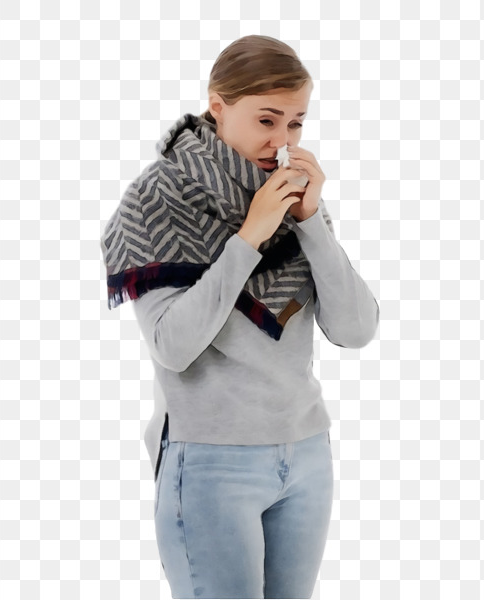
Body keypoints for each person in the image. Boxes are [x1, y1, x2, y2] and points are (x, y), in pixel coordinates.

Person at [100, 34, 379, 599]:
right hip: (209, 461)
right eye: (267, 120)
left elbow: (355, 329)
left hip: (305, 453)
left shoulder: (291, 197)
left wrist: (312, 222)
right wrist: (249, 236)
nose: (282, 142)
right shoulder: (157, 199)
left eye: (296, 124)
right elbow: (172, 346)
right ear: (218, 104)